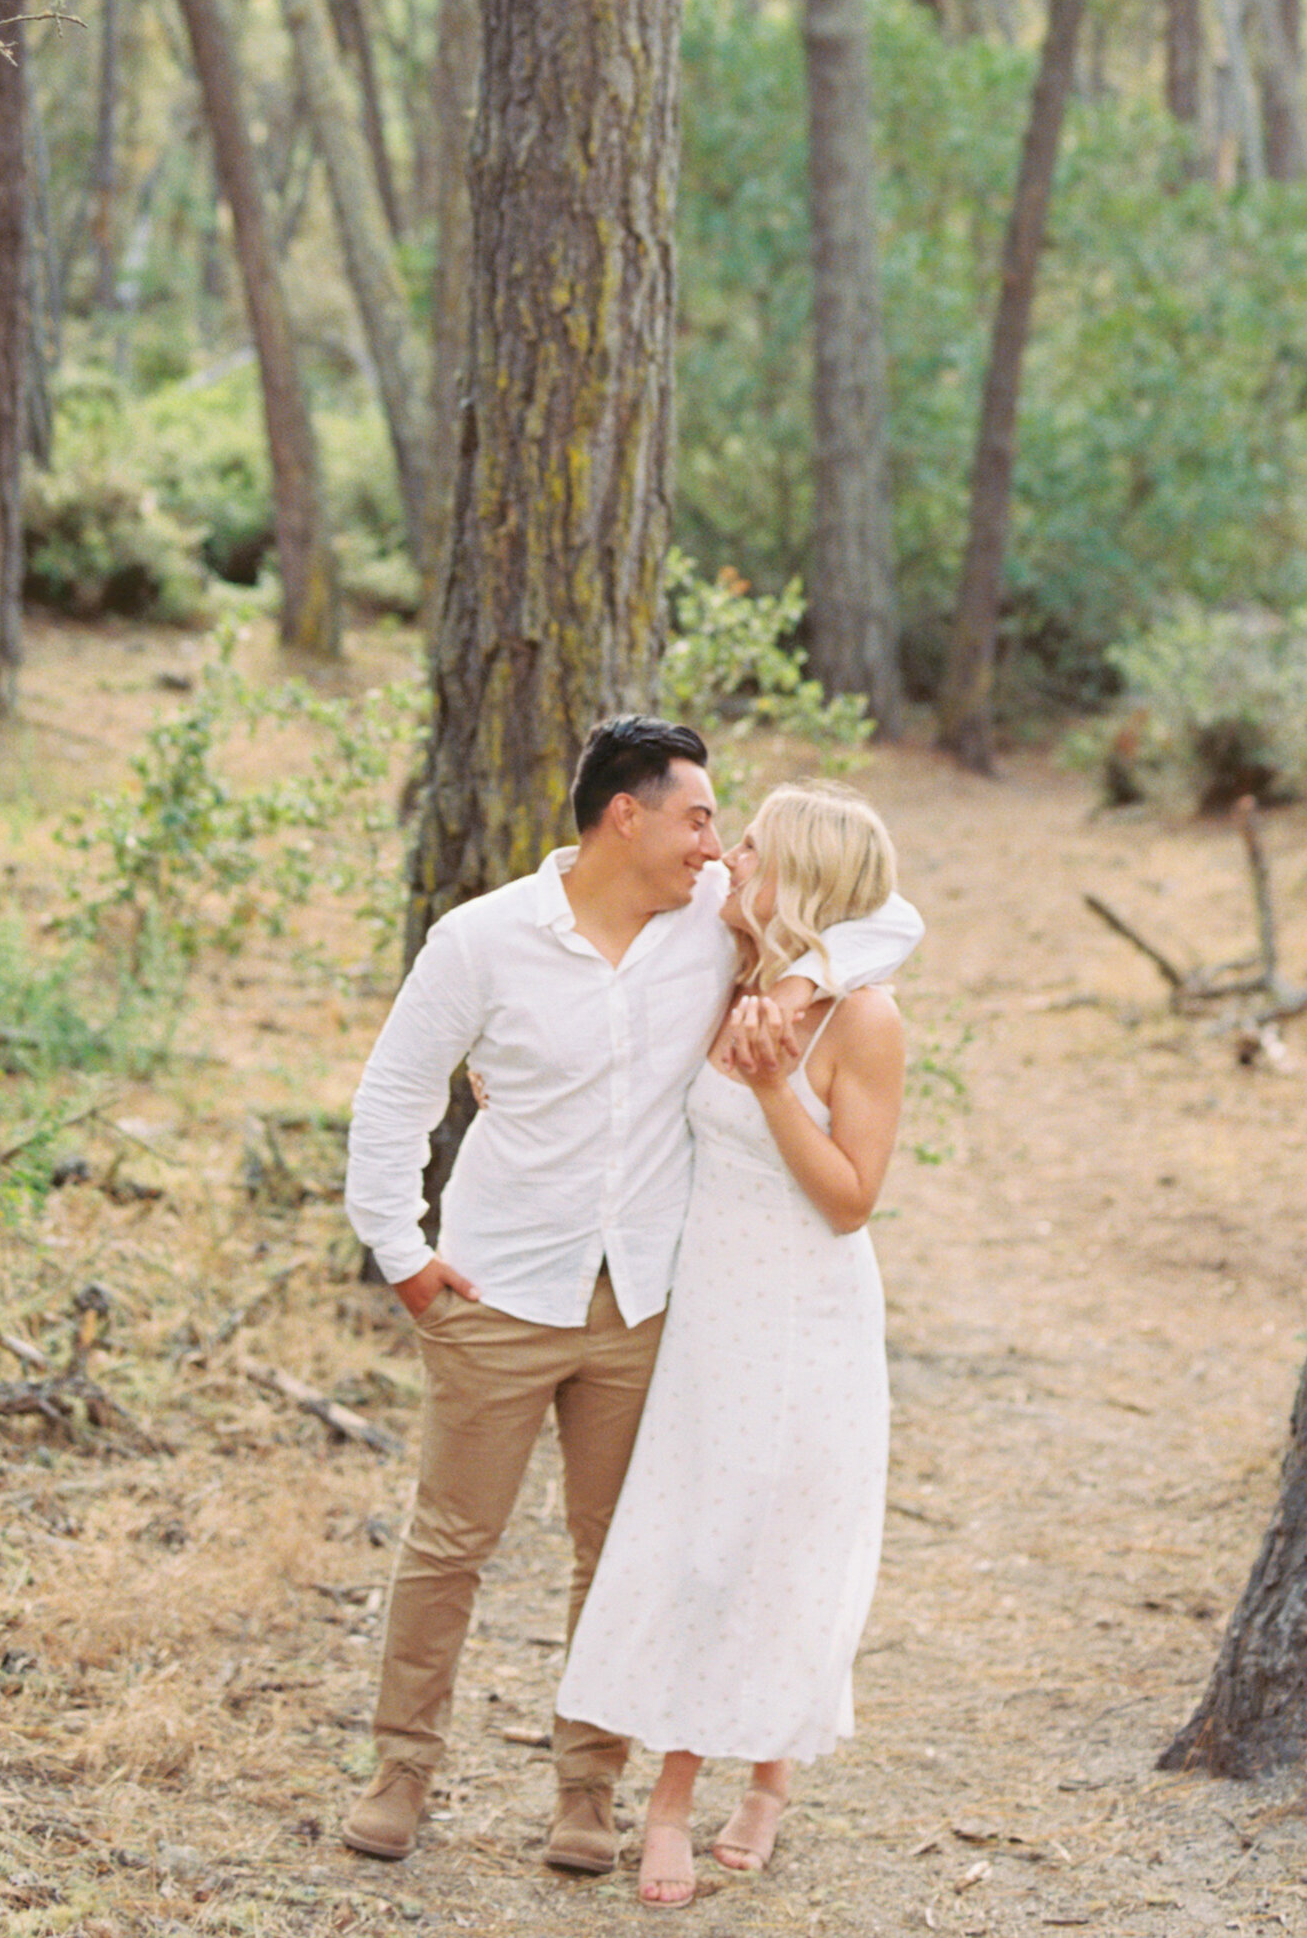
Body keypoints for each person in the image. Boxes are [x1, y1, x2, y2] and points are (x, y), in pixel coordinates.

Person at [338, 718, 922, 1874]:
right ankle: (401, 1772)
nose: (715, 846)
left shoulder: (713, 932)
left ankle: (586, 1793)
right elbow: (394, 1095)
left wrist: (807, 973)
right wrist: (401, 1252)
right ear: (627, 814)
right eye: (700, 818)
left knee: (618, 1551)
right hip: (499, 1282)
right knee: (451, 1541)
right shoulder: (481, 939)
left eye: (724, 830)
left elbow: (886, 913)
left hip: (649, 1297)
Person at [552, 780, 906, 1907]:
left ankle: (749, 1782)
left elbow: (851, 1198)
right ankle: (681, 1788)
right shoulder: (732, 973)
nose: (725, 859)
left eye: (748, 846)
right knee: (700, 1543)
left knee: (781, 1541)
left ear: (794, 877)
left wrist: (770, 1093)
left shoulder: (864, 1017)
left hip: (805, 1315)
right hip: (709, 1314)